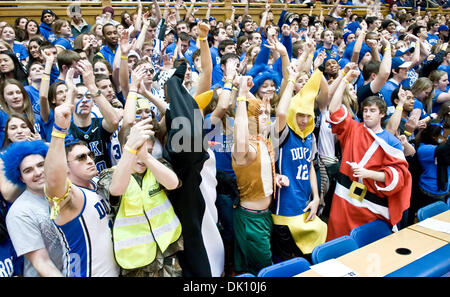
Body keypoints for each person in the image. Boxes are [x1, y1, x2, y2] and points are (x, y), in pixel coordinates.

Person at [325, 69, 412, 241]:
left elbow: (398, 177)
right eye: (365, 110)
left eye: (372, 111)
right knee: (338, 243)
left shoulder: (391, 142)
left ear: (381, 114)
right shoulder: (353, 129)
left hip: (372, 206)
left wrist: (368, 174)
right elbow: (334, 109)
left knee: (367, 249)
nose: (367, 114)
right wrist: (344, 80)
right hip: (344, 198)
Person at [43, 100, 119, 277]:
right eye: (81, 158)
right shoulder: (69, 196)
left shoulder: (97, 181)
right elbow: (53, 182)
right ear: (65, 167)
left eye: (90, 155)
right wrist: (59, 131)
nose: (90, 160)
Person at [98, 119, 183, 277]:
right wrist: (131, 149)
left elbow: (173, 183)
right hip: (136, 262)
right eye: (138, 150)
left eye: (149, 151)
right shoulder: (110, 174)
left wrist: (147, 157)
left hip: (166, 253)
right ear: (125, 149)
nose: (141, 157)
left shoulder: (156, 165)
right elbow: (117, 189)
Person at [270, 64, 327, 264]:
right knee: (285, 263)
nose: (303, 120)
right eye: (299, 115)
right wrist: (292, 80)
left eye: (308, 116)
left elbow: (310, 166)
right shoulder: (283, 134)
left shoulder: (310, 137)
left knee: (310, 257)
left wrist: (317, 198)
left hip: (304, 206)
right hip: (283, 211)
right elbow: (281, 114)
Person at [1, 140, 66, 276]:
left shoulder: (66, 193)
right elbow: (41, 262)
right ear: (21, 178)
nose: (37, 172)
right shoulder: (19, 213)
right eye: (28, 170)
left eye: (41, 165)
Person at [231, 76, 275, 275]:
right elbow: (240, 130)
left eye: (266, 114)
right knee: (262, 270)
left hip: (265, 216)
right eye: (261, 115)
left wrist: (244, 88)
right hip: (251, 220)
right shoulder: (244, 147)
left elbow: (259, 109)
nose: (266, 116)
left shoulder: (262, 141)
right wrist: (241, 97)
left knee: (255, 268)